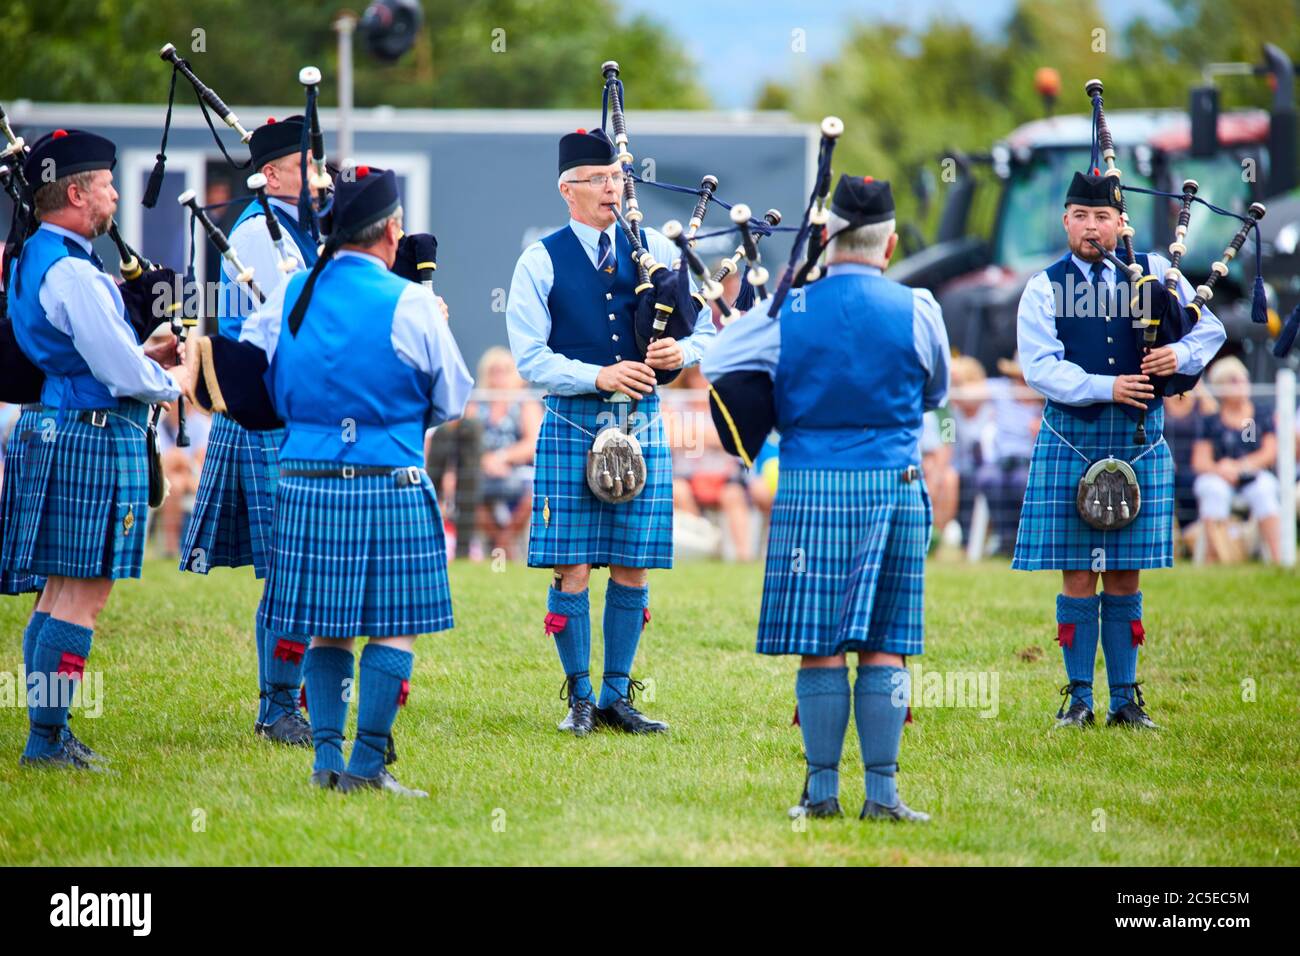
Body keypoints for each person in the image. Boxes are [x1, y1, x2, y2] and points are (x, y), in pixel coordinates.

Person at [704, 175, 949, 822]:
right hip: (893, 479)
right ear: (890, 244)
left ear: (824, 239)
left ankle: (819, 793)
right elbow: (935, 393)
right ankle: (883, 794)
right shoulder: (920, 307)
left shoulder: (792, 307)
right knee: (885, 641)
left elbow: (719, 362)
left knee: (820, 641)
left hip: (809, 483)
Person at [232, 165, 473, 795]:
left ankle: (325, 762)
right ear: (391, 231)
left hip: (304, 479)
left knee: (327, 625)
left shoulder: (291, 292)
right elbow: (453, 397)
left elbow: (257, 372)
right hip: (388, 476)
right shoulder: (410, 300)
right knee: (392, 625)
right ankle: (366, 767)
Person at [505, 127, 716, 736]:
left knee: (633, 565)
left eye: (617, 177)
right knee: (570, 567)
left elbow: (705, 326)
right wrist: (598, 375)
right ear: (566, 190)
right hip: (574, 422)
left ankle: (617, 698)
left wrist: (684, 352)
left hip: (642, 423)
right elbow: (529, 358)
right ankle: (577, 699)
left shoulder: (654, 246)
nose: (612, 187)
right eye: (598, 179)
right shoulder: (540, 258)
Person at [1012, 170, 1226, 730]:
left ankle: (1125, 701)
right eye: (1080, 216)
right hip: (1071, 438)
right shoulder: (1044, 286)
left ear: (1119, 223)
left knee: (1126, 574)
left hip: (1137, 439)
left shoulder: (1155, 270)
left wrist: (1175, 357)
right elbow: (1039, 367)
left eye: (1102, 217)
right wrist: (1106, 386)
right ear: (1065, 221)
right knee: (1078, 573)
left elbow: (1212, 332)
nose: (1091, 227)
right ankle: (1079, 699)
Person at [3, 128, 182, 768]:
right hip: (92, 433)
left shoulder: (32, 256)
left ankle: (46, 734)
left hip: (58, 426)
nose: (113, 193)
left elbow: (93, 352)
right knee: (83, 593)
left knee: (58, 592)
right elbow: (119, 372)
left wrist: (143, 353)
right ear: (76, 193)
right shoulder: (76, 271)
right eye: (105, 183)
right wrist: (171, 376)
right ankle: (46, 742)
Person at [178, 116, 321, 745]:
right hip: (262, 408)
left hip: (287, 410)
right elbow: (282, 322)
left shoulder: (297, 225)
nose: (317, 170)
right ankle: (277, 704)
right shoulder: (260, 233)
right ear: (273, 173)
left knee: (300, 562)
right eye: (305, 160)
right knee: (289, 567)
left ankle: (298, 691)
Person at [1192, 356, 1282, 563]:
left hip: (1254, 474)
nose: (1241, 384)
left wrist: (1240, 467)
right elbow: (1200, 461)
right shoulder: (1211, 420)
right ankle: (1216, 558)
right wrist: (1221, 470)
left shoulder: (1261, 414)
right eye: (1234, 380)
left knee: (1265, 490)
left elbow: (1269, 453)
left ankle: (1279, 558)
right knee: (1213, 491)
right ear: (1221, 386)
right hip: (1220, 477)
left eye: (1243, 379)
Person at [463, 346, 540, 561]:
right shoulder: (475, 405)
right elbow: (466, 444)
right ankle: (503, 546)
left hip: (518, 472)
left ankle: (501, 544)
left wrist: (502, 458)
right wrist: (486, 460)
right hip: (482, 471)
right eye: (493, 370)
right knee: (466, 491)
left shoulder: (526, 404)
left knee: (533, 492)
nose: (499, 376)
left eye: (505, 370)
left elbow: (532, 442)